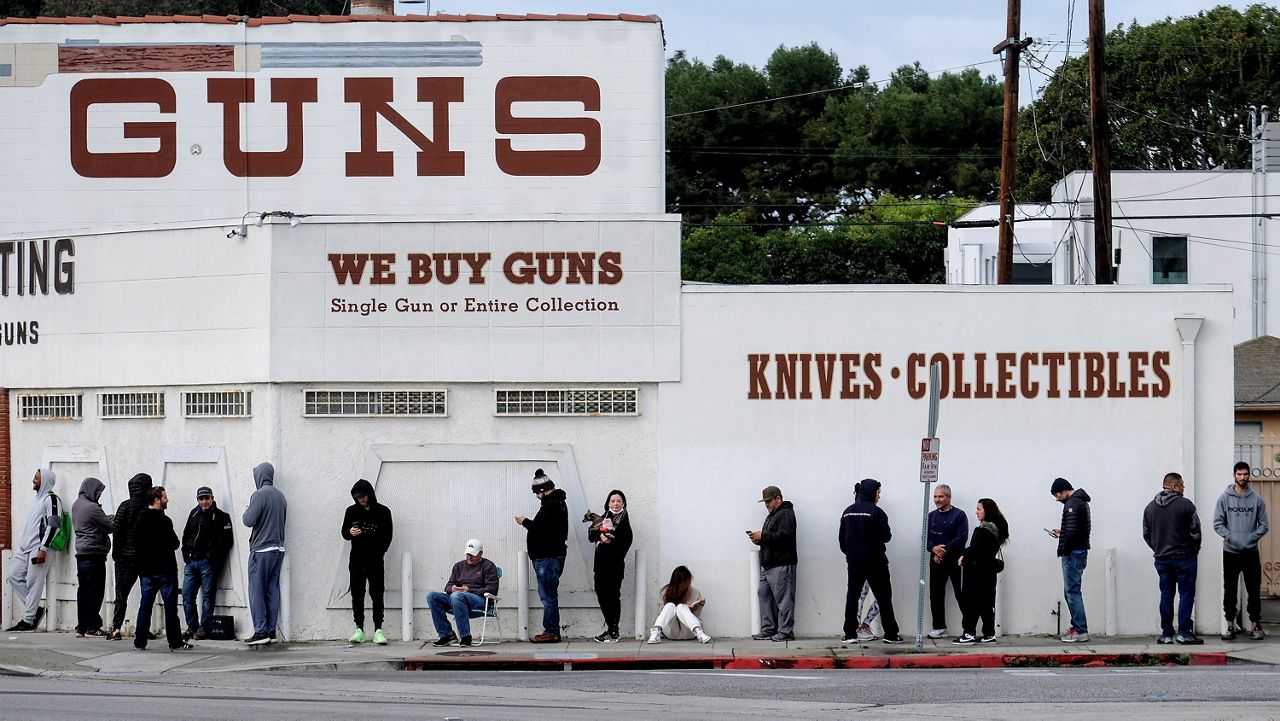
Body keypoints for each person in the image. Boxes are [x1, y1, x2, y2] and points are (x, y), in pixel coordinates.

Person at [839, 478, 902, 644]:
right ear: (873, 492)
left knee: (852, 596)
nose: (879, 496)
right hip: (876, 562)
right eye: (878, 492)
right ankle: (891, 634)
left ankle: (850, 633)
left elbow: (842, 541)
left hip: (854, 562)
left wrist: (851, 554)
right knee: (884, 597)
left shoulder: (847, 512)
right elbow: (886, 536)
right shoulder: (877, 512)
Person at [1143, 472, 1203, 645]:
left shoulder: (1150, 508)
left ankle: (1167, 634)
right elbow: (1196, 532)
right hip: (1184, 557)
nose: (1184, 488)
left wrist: (1158, 548)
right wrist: (1194, 550)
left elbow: (1146, 534)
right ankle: (1184, 632)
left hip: (1162, 559)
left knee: (1166, 595)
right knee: (1186, 594)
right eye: (1182, 485)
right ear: (1175, 486)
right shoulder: (1185, 505)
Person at [132, 486, 193, 651]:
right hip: (165, 569)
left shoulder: (140, 519)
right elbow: (175, 543)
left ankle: (140, 641)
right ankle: (175, 641)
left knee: (145, 606)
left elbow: (136, 543)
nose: (168, 500)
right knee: (170, 608)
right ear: (157, 500)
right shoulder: (164, 521)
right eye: (165, 497)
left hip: (146, 571)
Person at [1214, 461, 1270, 641]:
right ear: (1234, 475)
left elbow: (1264, 525)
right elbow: (1217, 524)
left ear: (1249, 476)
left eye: (1245, 474)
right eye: (1239, 474)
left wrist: (1250, 538)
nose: (1243, 477)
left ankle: (1255, 625)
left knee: (1253, 590)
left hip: (1250, 552)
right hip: (1230, 552)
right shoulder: (1224, 498)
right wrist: (1231, 537)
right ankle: (1230, 626)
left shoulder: (1257, 499)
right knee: (1229, 589)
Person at [515, 468, 568, 643]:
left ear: (542, 491)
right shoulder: (557, 503)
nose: (536, 496)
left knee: (548, 596)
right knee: (549, 595)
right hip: (551, 556)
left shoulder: (551, 505)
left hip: (547, 558)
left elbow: (540, 529)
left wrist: (525, 522)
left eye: (537, 493)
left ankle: (551, 631)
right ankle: (551, 630)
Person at [5, 469, 60, 633]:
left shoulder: (51, 499)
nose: (33, 480)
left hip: (39, 548)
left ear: (45, 480)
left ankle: (28, 621)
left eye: (36, 478)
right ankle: (35, 611)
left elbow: (54, 525)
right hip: (25, 548)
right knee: (13, 576)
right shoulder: (37, 499)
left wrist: (43, 548)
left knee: (33, 583)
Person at [341, 478, 394, 645]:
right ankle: (359, 628)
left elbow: (388, 535)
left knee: (377, 594)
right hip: (356, 559)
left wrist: (380, 552)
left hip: (375, 560)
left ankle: (378, 629)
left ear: (370, 494)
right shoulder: (351, 511)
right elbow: (344, 532)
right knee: (357, 594)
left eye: (363, 496)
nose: (361, 500)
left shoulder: (383, 512)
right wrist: (350, 532)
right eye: (358, 497)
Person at [180, 486, 234, 641]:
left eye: (207, 498)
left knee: (208, 596)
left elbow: (226, 541)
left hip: (208, 564)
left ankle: (204, 629)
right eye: (201, 499)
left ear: (212, 498)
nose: (204, 501)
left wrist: (212, 557)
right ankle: (192, 627)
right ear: (197, 500)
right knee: (187, 595)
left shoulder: (222, 517)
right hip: (192, 562)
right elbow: (186, 535)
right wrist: (186, 555)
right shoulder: (194, 513)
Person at [953, 498, 1009, 645]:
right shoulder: (996, 529)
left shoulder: (984, 530)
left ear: (987, 510)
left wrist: (963, 556)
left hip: (977, 573)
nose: (976, 512)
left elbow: (975, 549)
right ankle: (989, 633)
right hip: (988, 572)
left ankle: (969, 633)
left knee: (971, 604)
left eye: (979, 509)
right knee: (986, 604)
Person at [242, 462, 287, 645]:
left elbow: (248, 520)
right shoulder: (281, 496)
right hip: (278, 549)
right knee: (271, 590)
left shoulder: (259, 495)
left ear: (259, 476)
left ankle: (260, 632)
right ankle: (271, 630)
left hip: (261, 550)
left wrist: (248, 508)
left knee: (256, 591)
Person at [428, 538, 500, 647]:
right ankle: (447, 635)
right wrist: (452, 588)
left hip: (480, 599)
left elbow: (492, 589)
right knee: (432, 596)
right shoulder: (458, 566)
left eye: (472, 554)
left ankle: (465, 637)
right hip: (457, 598)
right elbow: (448, 586)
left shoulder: (488, 566)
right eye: (467, 554)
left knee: (457, 596)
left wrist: (469, 590)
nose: (469, 557)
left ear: (481, 553)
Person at [107, 472, 153, 641]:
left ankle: (115, 629)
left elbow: (117, 531)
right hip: (146, 556)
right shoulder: (150, 506)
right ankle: (144, 629)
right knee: (147, 594)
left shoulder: (125, 506)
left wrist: (116, 553)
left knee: (121, 595)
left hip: (125, 557)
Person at [749, 485, 797, 642]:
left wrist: (763, 537)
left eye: (769, 501)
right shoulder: (774, 514)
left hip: (781, 563)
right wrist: (760, 540)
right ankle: (769, 629)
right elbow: (774, 538)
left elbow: (785, 537)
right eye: (765, 502)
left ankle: (786, 631)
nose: (767, 505)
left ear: (778, 498)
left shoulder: (786, 514)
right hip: (769, 565)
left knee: (784, 600)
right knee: (763, 594)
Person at [1050, 477, 1091, 643]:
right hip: (1078, 551)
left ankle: (1081, 631)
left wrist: (1063, 547)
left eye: (1057, 494)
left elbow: (1073, 533)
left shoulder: (1072, 504)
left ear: (1064, 490)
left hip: (1073, 553)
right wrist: (1063, 532)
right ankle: (1077, 627)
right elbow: (1075, 530)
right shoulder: (1080, 502)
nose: (1057, 498)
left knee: (1072, 592)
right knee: (1072, 592)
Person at [71, 477, 113, 638]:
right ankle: (93, 625)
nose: (99, 495)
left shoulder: (77, 504)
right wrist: (115, 518)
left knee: (84, 591)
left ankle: (82, 626)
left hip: (81, 552)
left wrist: (105, 518)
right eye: (98, 492)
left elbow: (96, 521)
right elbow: (109, 527)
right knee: (96, 591)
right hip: (94, 553)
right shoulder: (92, 507)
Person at [590, 489, 633, 643]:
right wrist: (600, 536)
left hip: (613, 567)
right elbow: (591, 534)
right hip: (600, 566)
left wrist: (608, 542)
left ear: (623, 503)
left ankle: (613, 631)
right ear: (608, 503)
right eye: (613, 501)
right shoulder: (603, 517)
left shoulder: (624, 522)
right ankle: (611, 629)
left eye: (619, 501)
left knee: (612, 597)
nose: (615, 504)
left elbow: (623, 544)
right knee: (601, 595)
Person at [926, 484, 968, 639]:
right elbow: (925, 538)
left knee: (961, 594)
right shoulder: (930, 516)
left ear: (949, 497)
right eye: (935, 496)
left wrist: (942, 551)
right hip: (936, 561)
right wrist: (933, 549)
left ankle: (969, 629)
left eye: (941, 496)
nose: (937, 500)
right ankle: (939, 628)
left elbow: (961, 537)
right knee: (935, 594)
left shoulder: (959, 515)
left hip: (956, 561)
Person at [646, 565, 712, 644]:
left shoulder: (694, 592)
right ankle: (656, 632)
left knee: (681, 607)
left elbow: (695, 616)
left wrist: (699, 606)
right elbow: (665, 616)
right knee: (670, 605)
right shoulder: (665, 592)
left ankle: (699, 632)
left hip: (689, 632)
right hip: (672, 632)